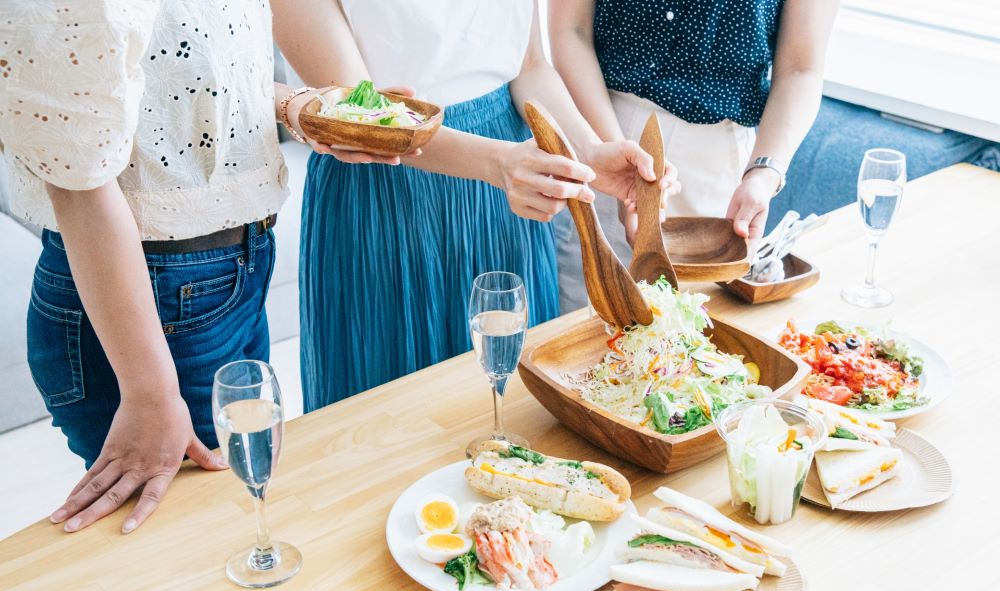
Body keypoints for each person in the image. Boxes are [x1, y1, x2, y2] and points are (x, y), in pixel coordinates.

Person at [0, 0, 385, 534]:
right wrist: (149, 391)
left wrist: (297, 104)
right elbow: (77, 175)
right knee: (200, 535)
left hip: (234, 269)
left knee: (238, 510)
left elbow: (175, 83)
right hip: (151, 295)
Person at [272, 0, 676, 411]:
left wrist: (588, 151)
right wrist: (500, 164)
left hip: (510, 190)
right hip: (385, 193)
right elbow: (360, 119)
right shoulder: (494, 165)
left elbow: (531, 67)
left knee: (518, 412)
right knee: (391, 418)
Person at [549, 0, 838, 311]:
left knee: (697, 333)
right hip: (599, 136)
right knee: (584, 324)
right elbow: (570, 30)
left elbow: (801, 67)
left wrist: (764, 173)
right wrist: (614, 157)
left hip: (717, 165)